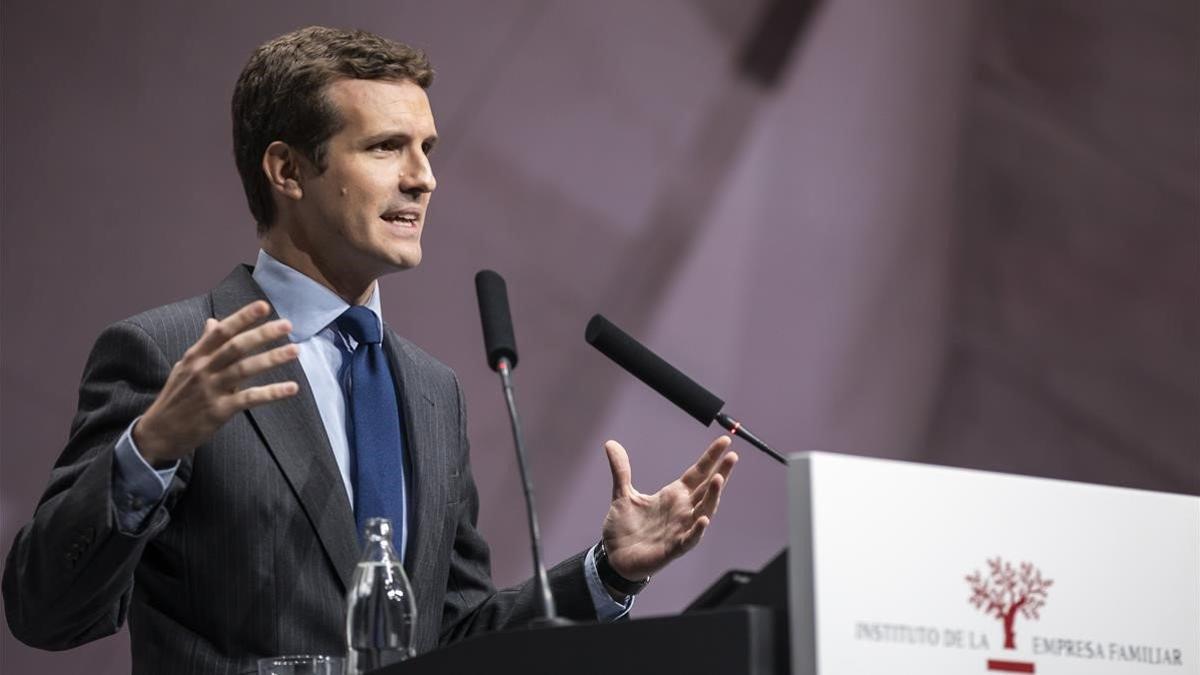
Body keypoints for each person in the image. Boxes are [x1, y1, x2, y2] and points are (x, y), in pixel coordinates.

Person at [2, 26, 737, 674]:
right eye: (387, 147)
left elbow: (454, 636)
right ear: (287, 170)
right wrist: (151, 446)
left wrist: (607, 573)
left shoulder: (431, 391)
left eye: (427, 148)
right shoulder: (169, 353)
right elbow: (45, 613)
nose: (423, 176)